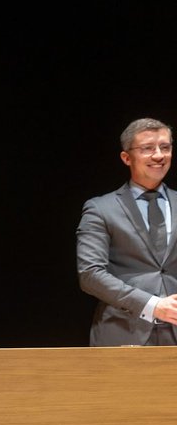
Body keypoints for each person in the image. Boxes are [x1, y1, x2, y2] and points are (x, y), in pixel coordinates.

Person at [76, 118, 175, 346]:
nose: (159, 155)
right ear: (126, 158)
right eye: (147, 148)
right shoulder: (101, 209)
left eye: (165, 147)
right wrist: (153, 305)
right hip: (123, 332)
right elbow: (90, 274)